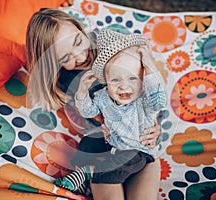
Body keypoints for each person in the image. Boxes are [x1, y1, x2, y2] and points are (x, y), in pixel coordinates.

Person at [26, 8, 162, 200]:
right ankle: (84, 175)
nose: (80, 57)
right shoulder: (68, 80)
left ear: (81, 30)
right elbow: (96, 114)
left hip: (142, 145)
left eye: (78, 41)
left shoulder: (111, 47)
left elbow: (148, 87)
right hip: (105, 152)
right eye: (66, 58)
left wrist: (154, 125)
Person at [53, 29, 168, 196]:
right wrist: (82, 93)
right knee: (87, 146)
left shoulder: (143, 98)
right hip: (112, 147)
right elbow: (87, 111)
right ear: (106, 82)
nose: (123, 86)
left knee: (130, 158)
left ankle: (90, 171)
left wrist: (149, 67)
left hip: (139, 149)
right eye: (115, 80)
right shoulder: (103, 97)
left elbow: (158, 100)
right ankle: (86, 176)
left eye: (132, 78)